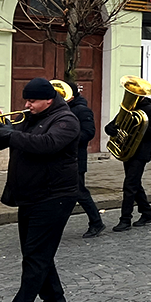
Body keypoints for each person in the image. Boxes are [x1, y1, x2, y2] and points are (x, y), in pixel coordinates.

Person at [0, 77, 81, 302]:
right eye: (25, 100)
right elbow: (2, 143)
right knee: (35, 252)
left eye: (32, 100)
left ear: (48, 99)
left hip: (55, 196)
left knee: (35, 256)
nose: (27, 105)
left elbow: (46, 145)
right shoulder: (30, 117)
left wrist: (11, 134)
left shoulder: (66, 120)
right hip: (29, 194)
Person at [107, 90, 151, 232]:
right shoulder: (128, 110)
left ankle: (125, 219)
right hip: (128, 151)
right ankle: (147, 213)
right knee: (135, 184)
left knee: (130, 185)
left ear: (142, 96)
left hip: (141, 152)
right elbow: (111, 126)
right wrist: (112, 129)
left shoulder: (150, 110)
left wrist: (138, 129)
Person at [65, 81, 103, 239]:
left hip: (76, 158)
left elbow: (89, 133)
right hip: (61, 159)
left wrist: (65, 138)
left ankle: (96, 222)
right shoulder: (58, 110)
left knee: (80, 192)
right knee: (66, 195)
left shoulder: (82, 110)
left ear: (72, 96)